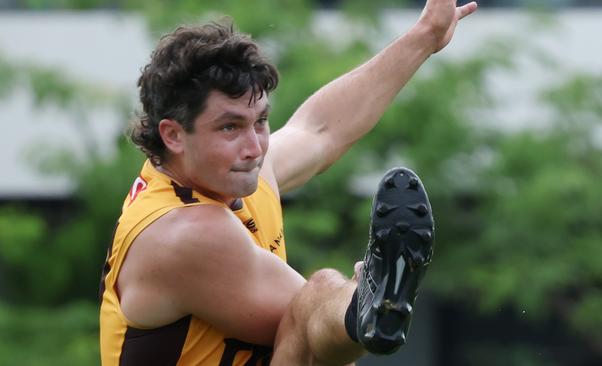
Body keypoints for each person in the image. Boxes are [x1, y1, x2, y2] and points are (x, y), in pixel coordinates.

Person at [99, 0, 477, 365]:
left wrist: (426, 35)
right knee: (317, 299)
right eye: (229, 127)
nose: (254, 147)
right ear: (174, 135)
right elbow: (310, 319)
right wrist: (356, 300)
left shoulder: (230, 171)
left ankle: (367, 301)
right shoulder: (182, 233)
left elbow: (320, 129)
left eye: (260, 121)